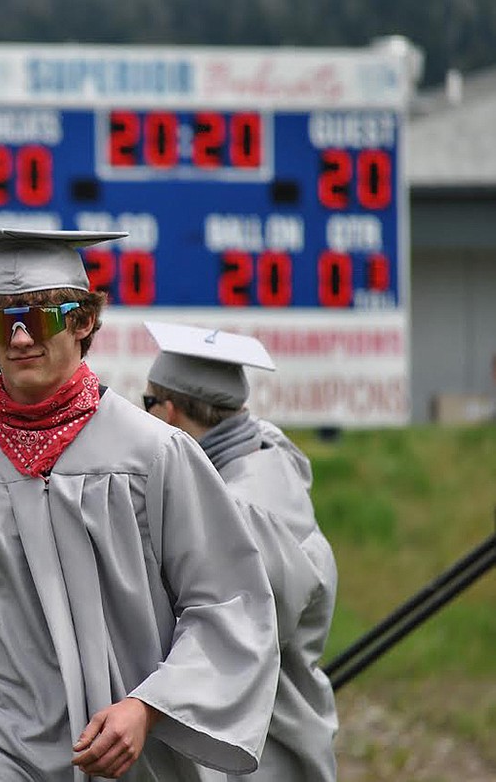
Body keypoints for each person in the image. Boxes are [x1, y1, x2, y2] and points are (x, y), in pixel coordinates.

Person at [0, 228, 280, 782]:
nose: (18, 339)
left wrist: (149, 706)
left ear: (82, 322)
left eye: (38, 318)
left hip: (128, 752)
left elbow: (228, 603)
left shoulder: (153, 455)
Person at [141, 320, 338, 782]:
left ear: (168, 412)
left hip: (265, 756)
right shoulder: (269, 457)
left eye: (147, 401)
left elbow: (229, 641)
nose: (142, 412)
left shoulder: (245, 513)